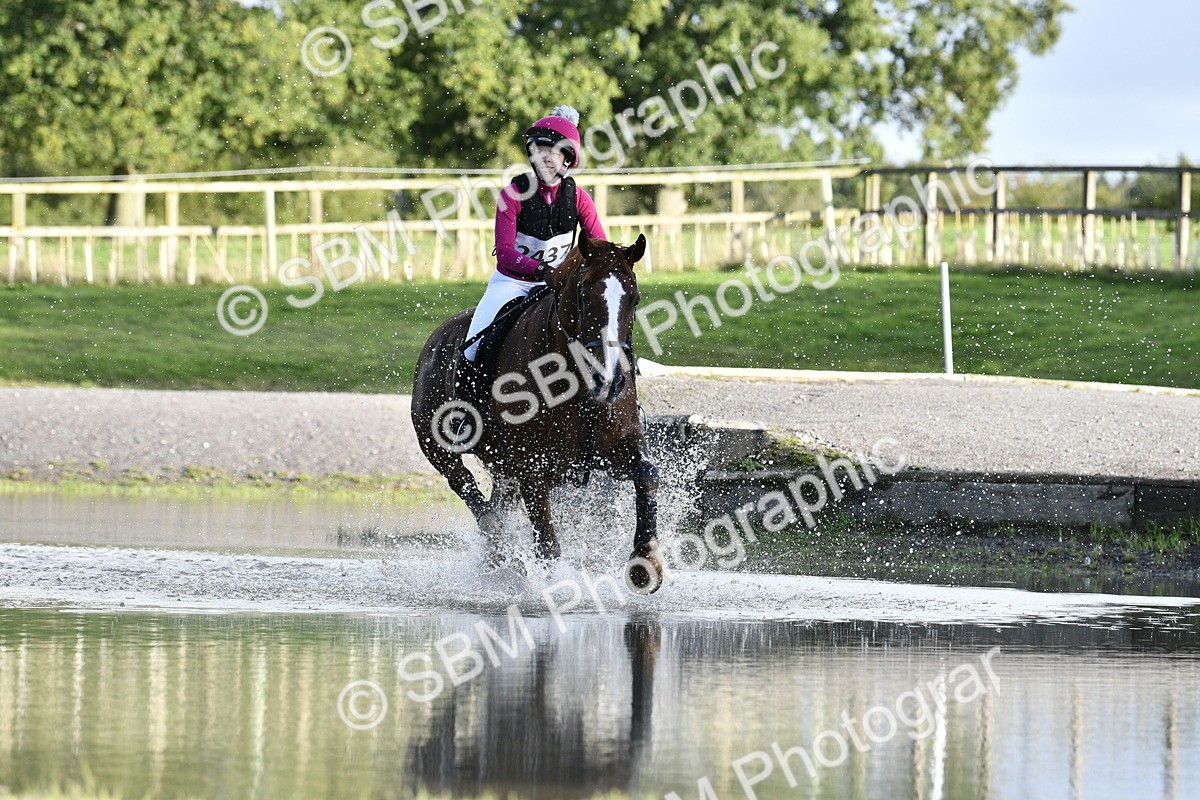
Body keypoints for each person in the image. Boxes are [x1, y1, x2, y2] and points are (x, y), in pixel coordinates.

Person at [455, 105, 607, 400]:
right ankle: (464, 409)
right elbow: (505, 253)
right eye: (541, 150)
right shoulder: (512, 195)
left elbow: (598, 247)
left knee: (603, 326)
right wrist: (542, 271)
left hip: (559, 284)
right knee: (473, 346)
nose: (546, 157)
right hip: (512, 283)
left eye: (555, 151)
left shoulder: (579, 198)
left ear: (567, 159)